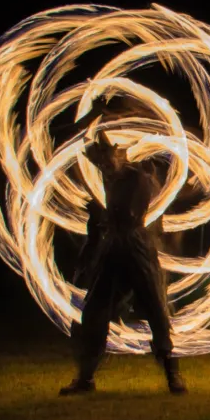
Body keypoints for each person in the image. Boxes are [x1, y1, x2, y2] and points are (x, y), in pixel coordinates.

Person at [59, 96, 186, 395]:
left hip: (138, 245)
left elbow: (152, 133)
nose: (102, 162)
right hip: (113, 246)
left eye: (107, 155)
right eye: (99, 158)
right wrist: (92, 114)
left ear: (121, 150)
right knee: (95, 310)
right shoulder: (106, 170)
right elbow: (69, 141)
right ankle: (86, 378)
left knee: (156, 308)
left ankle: (173, 374)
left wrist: (118, 114)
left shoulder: (139, 170)